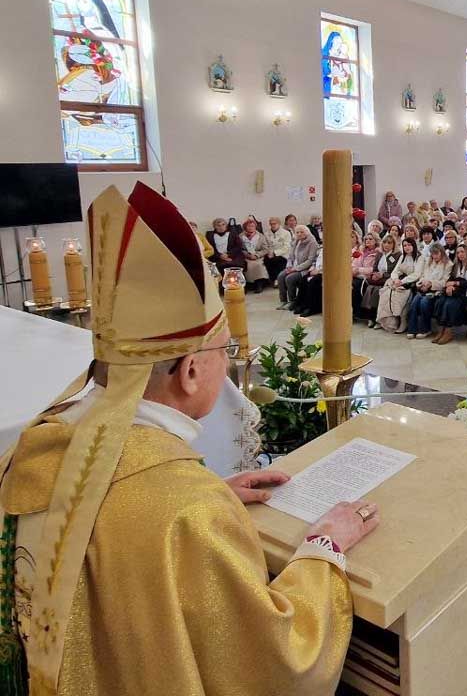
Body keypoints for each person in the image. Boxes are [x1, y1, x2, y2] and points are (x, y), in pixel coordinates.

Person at [0, 183, 373, 694]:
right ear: (192, 371)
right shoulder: (188, 510)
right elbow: (278, 662)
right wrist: (324, 548)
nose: (230, 362)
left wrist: (215, 492)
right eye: (225, 349)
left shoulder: (35, 446)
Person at [431, 244, 467, 343]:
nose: (460, 254)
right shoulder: (456, 265)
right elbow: (450, 279)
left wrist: (455, 283)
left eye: (462, 252)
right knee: (441, 301)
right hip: (455, 292)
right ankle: (441, 330)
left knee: (449, 304)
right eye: (458, 252)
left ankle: (448, 331)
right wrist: (449, 286)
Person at [405, 243, 452, 339]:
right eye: (432, 254)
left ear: (442, 253)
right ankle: (412, 329)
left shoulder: (448, 264)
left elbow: (445, 282)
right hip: (424, 288)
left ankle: (425, 329)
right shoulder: (428, 261)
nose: (434, 256)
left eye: (436, 253)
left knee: (424, 302)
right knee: (414, 303)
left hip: (436, 291)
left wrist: (431, 284)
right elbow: (422, 275)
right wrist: (421, 284)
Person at [375, 237, 420, 334]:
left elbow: (416, 274)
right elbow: (396, 271)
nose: (407, 247)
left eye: (409, 245)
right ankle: (388, 320)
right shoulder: (402, 256)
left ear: (414, 245)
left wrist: (402, 281)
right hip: (400, 280)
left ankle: (403, 321)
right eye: (405, 245)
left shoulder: (419, 257)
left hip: (411, 283)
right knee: (386, 292)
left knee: (399, 294)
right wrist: (395, 279)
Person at [276, 225, 319, 310]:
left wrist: (295, 269)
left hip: (304, 268)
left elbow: (310, 261)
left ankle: (292, 301)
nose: (299, 234)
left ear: (307, 232)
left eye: (302, 232)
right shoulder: (296, 241)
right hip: (293, 266)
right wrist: (289, 266)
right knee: (280, 276)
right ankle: (283, 301)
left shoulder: (312, 243)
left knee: (289, 278)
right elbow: (290, 256)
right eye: (297, 232)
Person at [238, 218, 270, 292]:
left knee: (258, 264)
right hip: (246, 256)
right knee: (248, 265)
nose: (251, 228)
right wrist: (247, 255)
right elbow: (239, 248)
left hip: (258, 256)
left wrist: (256, 255)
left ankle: (259, 284)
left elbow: (265, 249)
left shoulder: (261, 236)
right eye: (249, 226)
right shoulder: (241, 236)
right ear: (245, 227)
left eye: (252, 226)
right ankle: (250, 284)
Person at [263, 216, 292, 283]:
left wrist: (275, 253)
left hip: (283, 254)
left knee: (278, 260)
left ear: (279, 224)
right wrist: (269, 253)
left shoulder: (286, 233)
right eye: (271, 224)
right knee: (267, 260)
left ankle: (278, 279)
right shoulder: (266, 234)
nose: (273, 225)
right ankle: (272, 279)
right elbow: (265, 245)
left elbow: (287, 247)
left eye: (274, 224)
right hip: (270, 253)